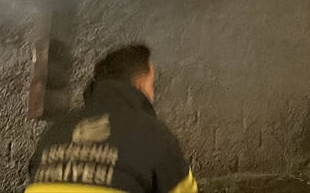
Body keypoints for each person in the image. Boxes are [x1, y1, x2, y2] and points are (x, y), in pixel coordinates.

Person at [25, 43, 197, 193]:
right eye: (152, 84)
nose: (153, 93)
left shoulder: (55, 131)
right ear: (141, 83)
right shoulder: (153, 133)